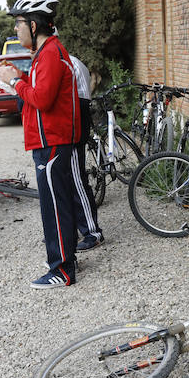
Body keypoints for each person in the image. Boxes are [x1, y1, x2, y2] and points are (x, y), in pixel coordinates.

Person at [0, 0, 84, 289]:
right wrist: (20, 76)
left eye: (19, 23)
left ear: (34, 25)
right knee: (57, 203)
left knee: (54, 207)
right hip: (49, 141)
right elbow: (41, 89)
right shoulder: (47, 51)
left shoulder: (49, 52)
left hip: (52, 142)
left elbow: (42, 100)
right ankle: (61, 259)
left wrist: (14, 82)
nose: (17, 29)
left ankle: (62, 269)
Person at [69, 53, 103, 251]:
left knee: (77, 181)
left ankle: (92, 232)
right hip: (71, 122)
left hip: (74, 124)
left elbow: (80, 100)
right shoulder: (66, 61)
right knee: (67, 182)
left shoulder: (69, 63)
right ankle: (70, 230)